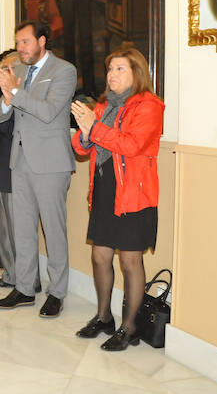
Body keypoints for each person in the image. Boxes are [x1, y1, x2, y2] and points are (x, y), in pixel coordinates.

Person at [71, 48, 164, 351]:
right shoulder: (102, 105)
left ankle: (130, 326)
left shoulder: (150, 106)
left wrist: (93, 128)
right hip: (104, 189)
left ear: (137, 72)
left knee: (129, 259)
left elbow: (133, 145)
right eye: (110, 68)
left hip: (134, 194)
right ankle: (103, 317)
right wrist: (85, 133)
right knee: (100, 255)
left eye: (120, 69)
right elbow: (83, 147)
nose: (112, 75)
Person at [0, 20, 77, 318]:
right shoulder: (21, 72)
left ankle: (57, 292)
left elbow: (49, 112)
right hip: (21, 159)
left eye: (25, 42)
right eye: (18, 42)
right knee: (23, 228)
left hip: (51, 162)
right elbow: (3, 118)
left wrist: (14, 90)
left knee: (53, 230)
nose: (20, 48)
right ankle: (26, 287)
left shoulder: (63, 71)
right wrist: (4, 96)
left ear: (42, 41)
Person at [0, 50, 42, 293]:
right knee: (5, 229)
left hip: (16, 167)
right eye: (3, 68)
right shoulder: (3, 96)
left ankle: (29, 280)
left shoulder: (26, 96)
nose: (5, 73)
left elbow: (15, 132)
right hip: (2, 166)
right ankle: (11, 274)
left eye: (9, 68)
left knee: (20, 231)